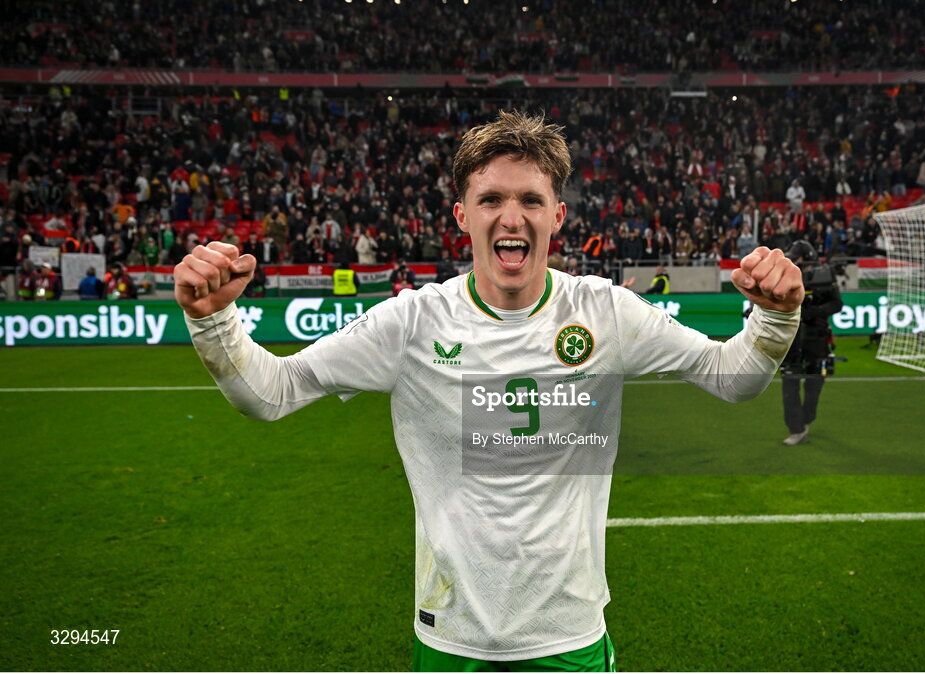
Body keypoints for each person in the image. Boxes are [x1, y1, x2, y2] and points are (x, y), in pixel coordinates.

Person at [173, 111, 803, 672]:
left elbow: (733, 377)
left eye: (531, 200)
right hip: (452, 640)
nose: (511, 217)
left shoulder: (605, 312)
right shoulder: (412, 322)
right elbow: (273, 391)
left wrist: (776, 318)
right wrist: (212, 319)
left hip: (568, 637)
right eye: (491, 198)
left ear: (557, 215)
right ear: (462, 216)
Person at [779, 240, 843, 446]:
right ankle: (796, 429)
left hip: (817, 338)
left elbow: (837, 304)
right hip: (792, 338)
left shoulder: (824, 277)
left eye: (796, 259)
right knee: (789, 382)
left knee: (815, 383)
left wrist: (813, 312)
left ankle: (806, 420)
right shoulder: (786, 277)